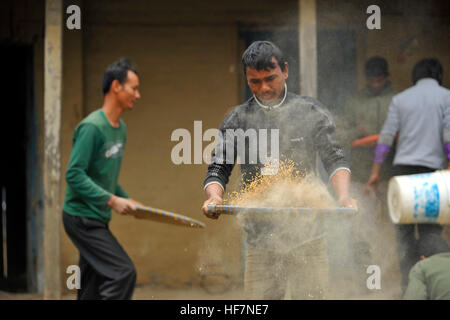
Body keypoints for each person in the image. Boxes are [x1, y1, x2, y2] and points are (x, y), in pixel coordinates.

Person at [201, 41, 357, 299]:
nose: (263, 88)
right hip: (260, 241)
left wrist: (343, 197)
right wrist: (214, 197)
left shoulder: (310, 111)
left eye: (270, 78)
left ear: (285, 71)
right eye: (255, 81)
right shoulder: (237, 119)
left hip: (308, 237)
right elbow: (219, 166)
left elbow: (335, 158)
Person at [365, 58, 450, 294]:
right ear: (439, 75)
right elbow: (448, 136)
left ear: (414, 77)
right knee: (430, 231)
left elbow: (385, 137)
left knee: (403, 233)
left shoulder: (400, 99)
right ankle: (438, 288)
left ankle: (408, 290)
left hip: (402, 176)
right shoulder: (446, 96)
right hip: (432, 175)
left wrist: (374, 172)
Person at [62, 58, 142, 300]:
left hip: (96, 217)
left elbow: (104, 177)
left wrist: (126, 199)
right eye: (134, 88)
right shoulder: (92, 127)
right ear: (116, 86)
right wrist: (111, 200)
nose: (138, 95)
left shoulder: (120, 129)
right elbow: (74, 174)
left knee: (91, 289)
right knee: (123, 272)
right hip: (80, 216)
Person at [337, 56, 397, 295]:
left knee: (400, 225)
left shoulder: (397, 100)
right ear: (366, 79)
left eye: (379, 80)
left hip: (393, 174)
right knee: (361, 228)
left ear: (387, 77)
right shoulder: (354, 102)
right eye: (371, 80)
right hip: (362, 176)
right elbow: (340, 136)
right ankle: (365, 281)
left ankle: (399, 277)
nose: (375, 84)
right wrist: (355, 132)